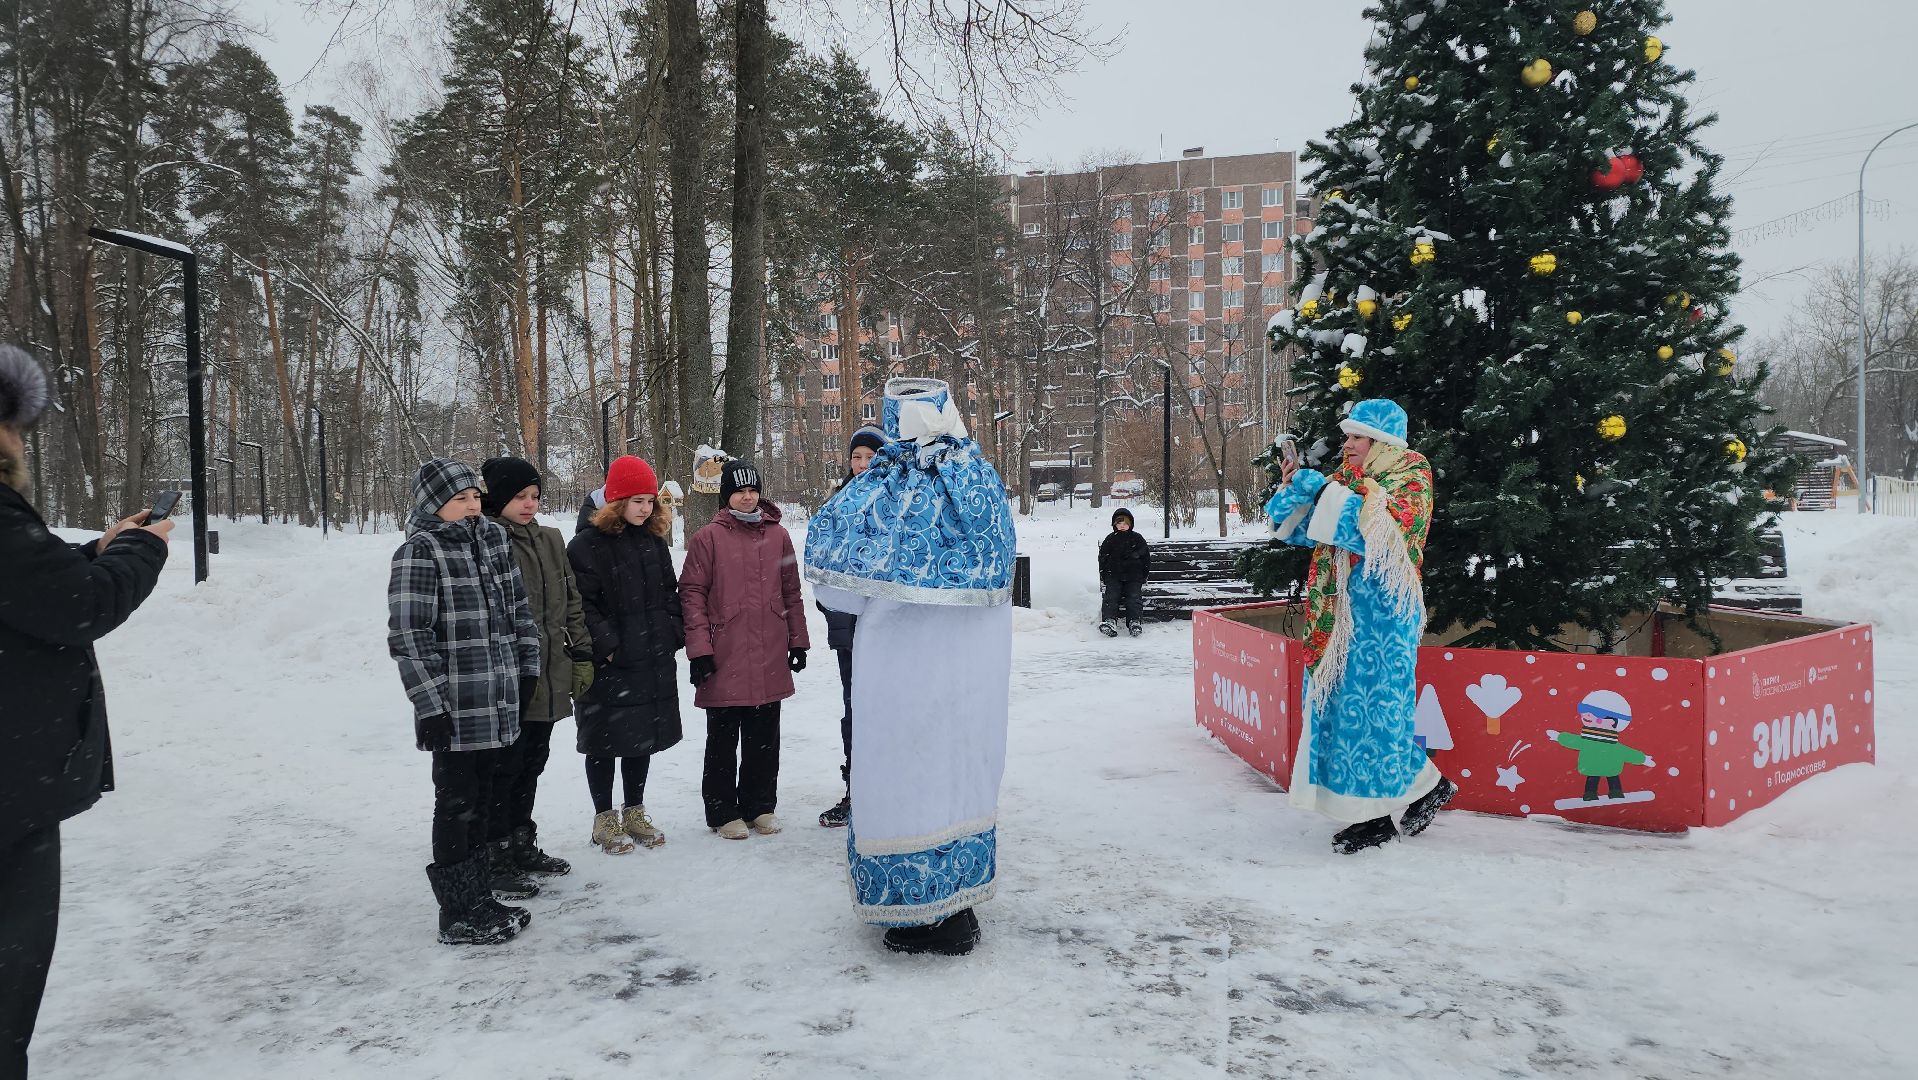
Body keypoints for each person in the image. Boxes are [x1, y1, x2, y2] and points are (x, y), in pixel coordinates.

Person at [0, 345, 171, 1078]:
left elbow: (33, 579)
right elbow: (79, 604)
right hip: (11, 793)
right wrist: (137, 552)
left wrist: (95, 547)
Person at [804, 378, 1016, 956]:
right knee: (960, 779)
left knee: (905, 780)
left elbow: (834, 585)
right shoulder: (981, 485)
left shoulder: (885, 488)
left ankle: (915, 911)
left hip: (902, 674)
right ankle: (957, 906)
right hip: (972, 675)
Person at [1262, 398, 1456, 853]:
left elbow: (1379, 533)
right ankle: (1425, 788)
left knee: (1376, 712)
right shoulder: (1349, 478)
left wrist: (1325, 494)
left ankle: (1374, 819)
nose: (1346, 445)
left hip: (1383, 618)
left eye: (1356, 437)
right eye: (1348, 436)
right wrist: (1294, 490)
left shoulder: (1412, 474)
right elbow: (1301, 529)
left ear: (1382, 442)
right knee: (1343, 712)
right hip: (1340, 614)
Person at [389, 457, 542, 944]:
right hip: (456, 707)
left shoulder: (495, 541)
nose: (473, 506)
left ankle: (479, 896)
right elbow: (411, 635)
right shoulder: (420, 552)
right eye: (461, 499)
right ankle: (456, 912)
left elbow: (520, 611)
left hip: (499, 699)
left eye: (476, 497)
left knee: (483, 799)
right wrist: (430, 705)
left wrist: (527, 670)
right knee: (455, 804)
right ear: (435, 505)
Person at [678, 459, 808, 840]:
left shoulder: (779, 536)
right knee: (723, 737)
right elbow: (691, 593)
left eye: (753, 490)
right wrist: (699, 649)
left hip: (768, 649)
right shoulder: (709, 538)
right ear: (727, 495)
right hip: (725, 651)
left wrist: (798, 640)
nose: (748, 497)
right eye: (739, 491)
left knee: (764, 735)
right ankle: (722, 811)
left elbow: (791, 591)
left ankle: (760, 805)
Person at [481, 457, 593, 879]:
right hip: (510, 676)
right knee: (505, 766)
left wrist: (581, 652)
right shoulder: (488, 540)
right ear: (497, 497)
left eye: (534, 496)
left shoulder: (550, 538)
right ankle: (497, 852)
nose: (529, 504)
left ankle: (522, 841)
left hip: (551, 669)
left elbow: (571, 601)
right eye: (519, 496)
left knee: (534, 760)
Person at [566, 455, 684, 853]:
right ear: (616, 502)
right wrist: (610, 646)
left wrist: (672, 631)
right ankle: (604, 818)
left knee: (641, 739)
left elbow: (671, 593)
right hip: (610, 664)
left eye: (650, 501)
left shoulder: (654, 542)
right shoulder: (586, 545)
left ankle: (634, 809)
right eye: (637, 501)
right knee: (604, 741)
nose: (645, 508)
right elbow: (582, 603)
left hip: (651, 656)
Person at [817, 425, 886, 828]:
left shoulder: (901, 503)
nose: (861, 466)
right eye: (855, 457)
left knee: (891, 709)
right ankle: (856, 790)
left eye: (870, 457)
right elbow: (825, 569)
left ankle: (891, 789)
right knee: (855, 709)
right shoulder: (839, 505)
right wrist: (838, 619)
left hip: (893, 631)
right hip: (851, 631)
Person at [1097, 507, 1151, 638]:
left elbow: (1145, 557)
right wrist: (1104, 574)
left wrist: (1144, 575)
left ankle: (1134, 621)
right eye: (1119, 523)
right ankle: (1110, 621)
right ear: (1114, 524)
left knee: (1133, 597)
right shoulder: (1110, 539)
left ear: (1130, 524)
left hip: (1133, 576)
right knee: (1111, 596)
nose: (1122, 526)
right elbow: (1103, 557)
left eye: (1125, 523)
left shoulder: (1137, 538)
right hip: (1113, 575)